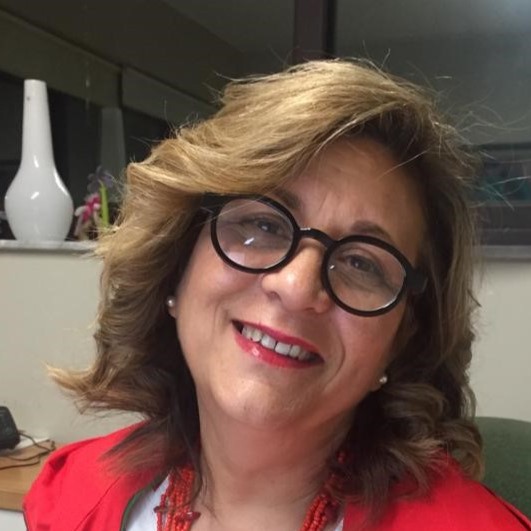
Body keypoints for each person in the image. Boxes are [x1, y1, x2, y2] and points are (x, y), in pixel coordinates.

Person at [24, 60, 530, 531]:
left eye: (362, 263)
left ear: (402, 337)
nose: (296, 287)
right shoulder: (70, 497)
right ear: (177, 265)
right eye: (263, 225)